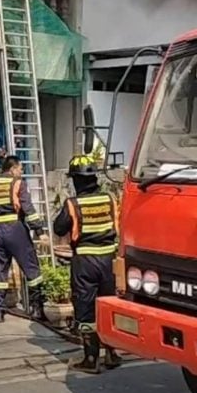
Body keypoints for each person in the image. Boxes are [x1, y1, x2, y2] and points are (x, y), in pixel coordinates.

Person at [53, 154, 122, 374]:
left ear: (76, 180)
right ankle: (112, 353)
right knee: (109, 305)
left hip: (85, 262)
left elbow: (59, 228)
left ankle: (91, 359)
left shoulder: (73, 204)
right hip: (109, 260)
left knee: (86, 308)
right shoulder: (110, 199)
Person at [0, 155, 45, 323]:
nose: (21, 172)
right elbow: (28, 208)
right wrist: (39, 231)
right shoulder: (18, 183)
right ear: (12, 169)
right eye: (20, 169)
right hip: (15, 229)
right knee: (31, 269)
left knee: (0, 270)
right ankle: (36, 308)